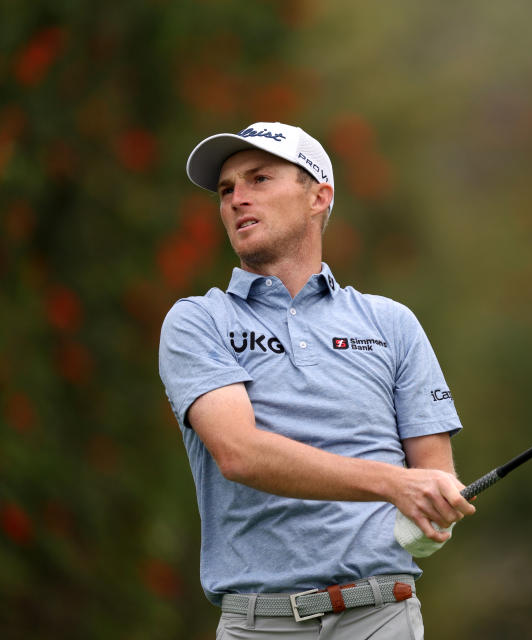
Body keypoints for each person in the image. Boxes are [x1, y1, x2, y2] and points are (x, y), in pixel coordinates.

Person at [158, 122, 475, 639]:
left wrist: (430, 514)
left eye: (259, 179)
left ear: (318, 197)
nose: (238, 198)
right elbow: (238, 452)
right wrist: (395, 486)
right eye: (226, 189)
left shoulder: (390, 323)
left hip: (382, 615)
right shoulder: (198, 321)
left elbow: (431, 485)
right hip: (258, 624)